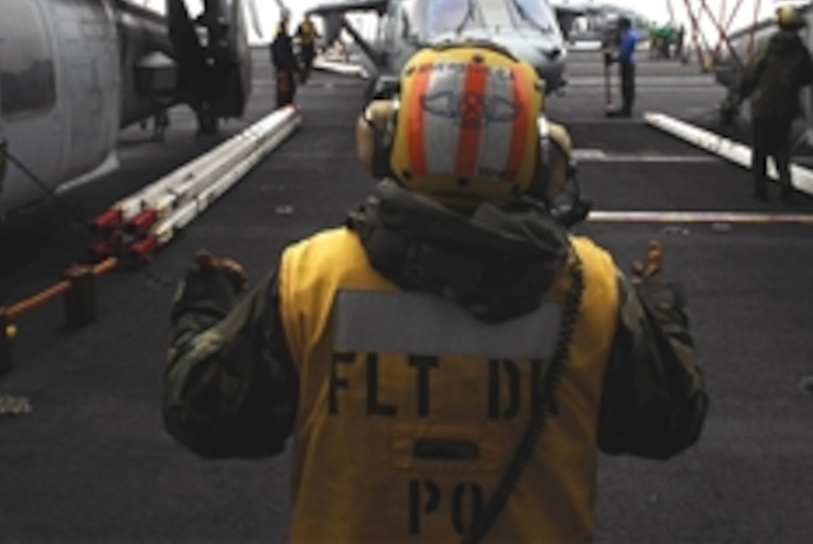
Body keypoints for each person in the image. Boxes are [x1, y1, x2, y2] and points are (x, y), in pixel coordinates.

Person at [163, 42, 708, 543]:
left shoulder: (314, 273)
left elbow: (208, 416)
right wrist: (662, 311)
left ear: (384, 141)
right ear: (542, 161)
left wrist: (203, 308)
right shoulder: (592, 285)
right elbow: (667, 424)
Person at [733, 5, 813, 201]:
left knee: (760, 150)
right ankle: (786, 187)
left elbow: (751, 73)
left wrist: (738, 96)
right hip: (785, 108)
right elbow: (808, 76)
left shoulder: (767, 46)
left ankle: (760, 190)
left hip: (762, 106)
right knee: (781, 149)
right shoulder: (800, 51)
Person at [608, 16, 638, 117]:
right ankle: (627, 108)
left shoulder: (627, 36)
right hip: (629, 62)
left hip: (627, 63)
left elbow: (624, 53)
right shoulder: (630, 35)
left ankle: (626, 109)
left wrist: (613, 59)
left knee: (627, 86)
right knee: (628, 86)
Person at [270, 12, 296, 107]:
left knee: (286, 87)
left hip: (282, 65)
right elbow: (283, 52)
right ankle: (284, 104)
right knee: (286, 88)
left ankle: (284, 103)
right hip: (283, 66)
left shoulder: (280, 34)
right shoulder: (281, 35)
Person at [294, 15, 318, 84]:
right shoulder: (303, 24)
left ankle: (305, 74)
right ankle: (303, 75)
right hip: (305, 44)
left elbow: (315, 32)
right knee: (305, 60)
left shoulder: (311, 24)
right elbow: (298, 32)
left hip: (309, 44)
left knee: (308, 60)